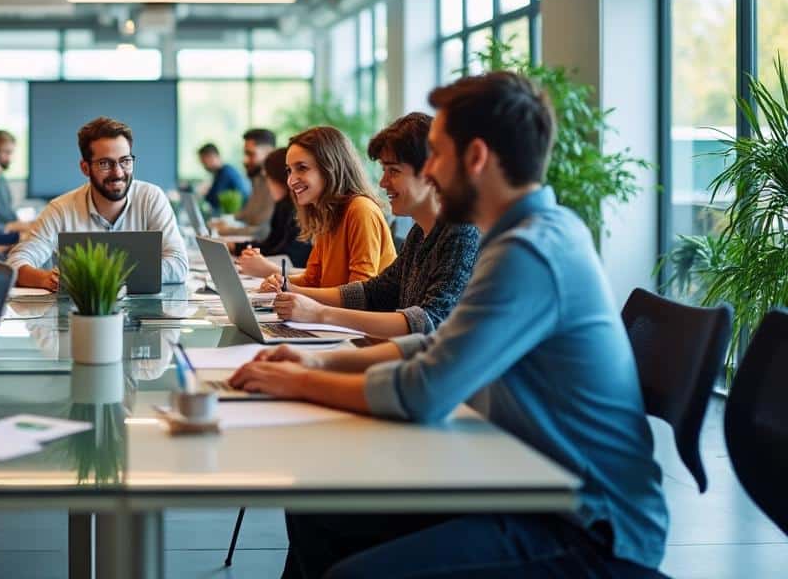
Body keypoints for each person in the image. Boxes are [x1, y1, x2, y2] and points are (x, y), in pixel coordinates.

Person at [230, 73, 668, 578]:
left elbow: (423, 393)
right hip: (521, 483)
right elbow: (435, 345)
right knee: (316, 507)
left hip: (585, 524)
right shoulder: (517, 236)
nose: (429, 170)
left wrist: (298, 382)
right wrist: (317, 363)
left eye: (436, 154)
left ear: (475, 157)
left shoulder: (530, 251)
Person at [271, 112, 480, 337]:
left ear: (432, 170)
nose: (382, 182)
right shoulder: (420, 233)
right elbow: (373, 292)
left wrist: (320, 314)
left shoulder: (462, 232)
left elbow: (428, 321)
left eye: (394, 171)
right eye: (384, 170)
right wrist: (295, 292)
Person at [8, 116, 188, 290]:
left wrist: (102, 277)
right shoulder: (60, 209)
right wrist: (46, 279)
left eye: (125, 161)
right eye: (105, 164)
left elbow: (178, 264)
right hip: (79, 310)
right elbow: (15, 264)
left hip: (144, 310)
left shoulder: (151, 198)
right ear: (85, 168)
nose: (118, 173)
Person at [241, 126, 396, 293]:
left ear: (330, 167)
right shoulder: (327, 215)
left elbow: (357, 295)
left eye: (302, 168)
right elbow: (313, 280)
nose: (291, 181)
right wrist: (280, 281)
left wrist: (290, 288)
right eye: (289, 171)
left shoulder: (361, 210)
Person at [234, 147, 312, 269]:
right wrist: (242, 249)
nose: (267, 183)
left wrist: (260, 262)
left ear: (279, 177)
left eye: (268, 177)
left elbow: (290, 255)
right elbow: (272, 242)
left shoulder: (299, 209)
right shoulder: (282, 206)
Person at [216, 128, 277, 238]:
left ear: (269, 152)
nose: (245, 160)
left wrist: (228, 231)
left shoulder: (277, 184)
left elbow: (264, 230)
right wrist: (226, 219)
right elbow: (249, 213)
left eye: (250, 154)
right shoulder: (257, 179)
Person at [198, 142, 251, 213]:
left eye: (204, 161)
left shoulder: (225, 173)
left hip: (240, 214)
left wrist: (204, 192)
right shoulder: (222, 172)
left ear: (212, 157)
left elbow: (215, 200)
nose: (203, 165)